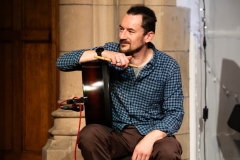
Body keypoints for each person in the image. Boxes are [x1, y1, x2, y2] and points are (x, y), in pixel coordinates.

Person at [57, 5, 184, 160]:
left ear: (148, 36)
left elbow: (175, 113)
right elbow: (62, 63)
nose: (123, 35)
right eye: (121, 29)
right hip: (117, 133)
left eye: (130, 31)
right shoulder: (111, 51)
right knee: (89, 135)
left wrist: (150, 139)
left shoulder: (168, 66)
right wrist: (102, 53)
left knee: (168, 151)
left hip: (152, 131)